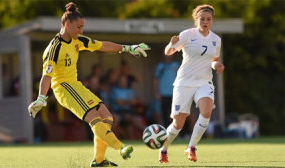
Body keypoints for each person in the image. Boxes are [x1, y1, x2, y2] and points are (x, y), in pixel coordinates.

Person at [27, 2, 150, 167]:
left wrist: (127, 48)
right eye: (78, 27)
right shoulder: (54, 48)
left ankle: (98, 160)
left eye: (82, 27)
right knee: (94, 118)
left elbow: (102, 45)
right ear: (67, 24)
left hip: (76, 86)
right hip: (64, 88)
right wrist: (41, 98)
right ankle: (120, 147)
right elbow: (46, 76)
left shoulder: (79, 40)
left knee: (107, 117)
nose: (81, 31)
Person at [158, 4, 225, 163]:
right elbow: (169, 52)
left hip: (204, 82)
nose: (205, 21)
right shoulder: (187, 35)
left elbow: (213, 60)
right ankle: (164, 148)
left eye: (208, 19)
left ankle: (191, 147)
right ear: (196, 20)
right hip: (184, 83)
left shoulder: (216, 40)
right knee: (178, 123)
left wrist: (217, 65)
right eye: (202, 18)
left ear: (212, 21)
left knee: (206, 112)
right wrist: (170, 43)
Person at [153, 54, 180, 127]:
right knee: (163, 114)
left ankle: (175, 131)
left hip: (174, 94)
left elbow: (181, 78)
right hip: (163, 94)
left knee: (174, 113)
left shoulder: (176, 65)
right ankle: (164, 131)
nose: (168, 56)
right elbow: (156, 79)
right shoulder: (160, 66)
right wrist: (156, 92)